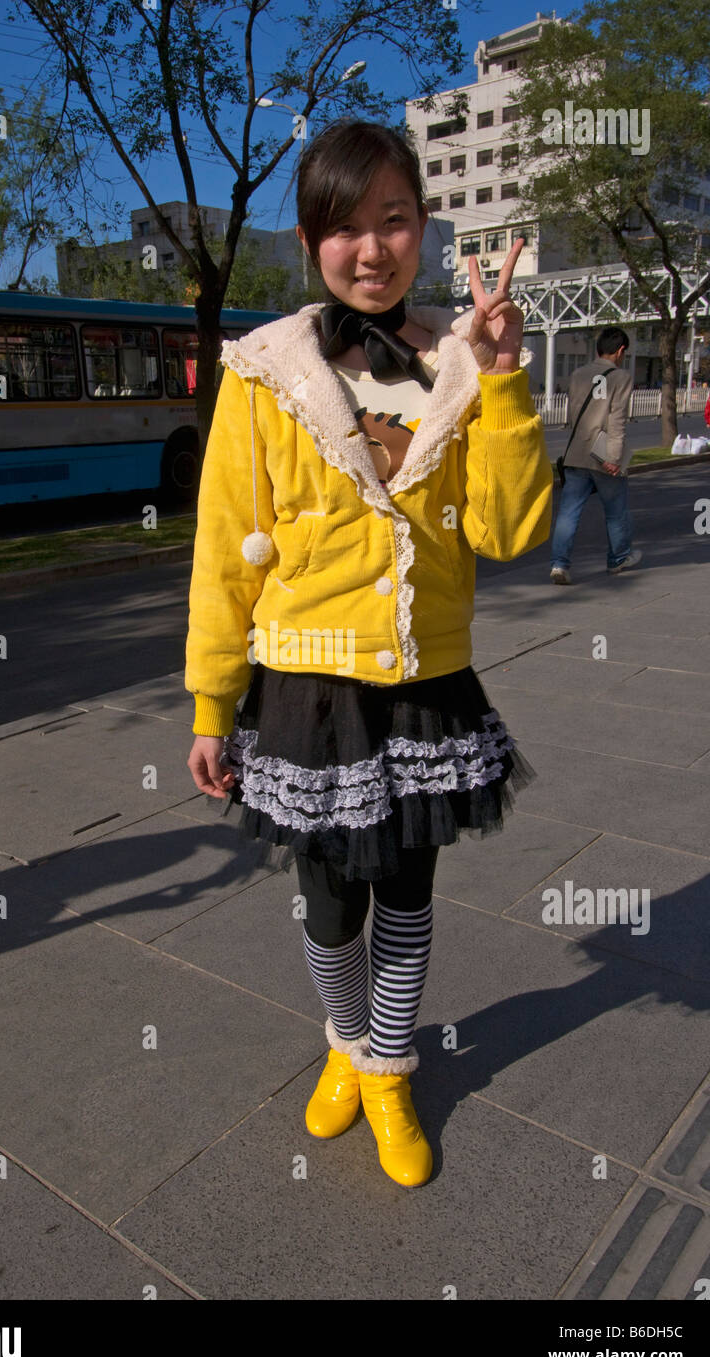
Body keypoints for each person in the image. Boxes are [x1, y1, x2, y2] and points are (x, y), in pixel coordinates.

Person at [184, 119, 553, 1188]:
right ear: (311, 243)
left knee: (405, 893)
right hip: (305, 687)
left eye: (393, 220)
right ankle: (345, 1044)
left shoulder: (457, 364)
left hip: (427, 687)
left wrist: (503, 382)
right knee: (328, 900)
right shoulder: (263, 375)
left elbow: (509, 528)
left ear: (422, 230)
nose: (371, 247)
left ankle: (388, 1069)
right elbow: (221, 552)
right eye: (345, 226)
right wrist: (213, 702)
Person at [550, 327, 641, 582]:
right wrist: (613, 457)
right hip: (603, 454)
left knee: (569, 513)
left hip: (576, 453)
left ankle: (559, 564)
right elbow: (617, 419)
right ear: (621, 350)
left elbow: (571, 416)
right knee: (616, 511)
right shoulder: (621, 377)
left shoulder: (578, 374)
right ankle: (619, 558)